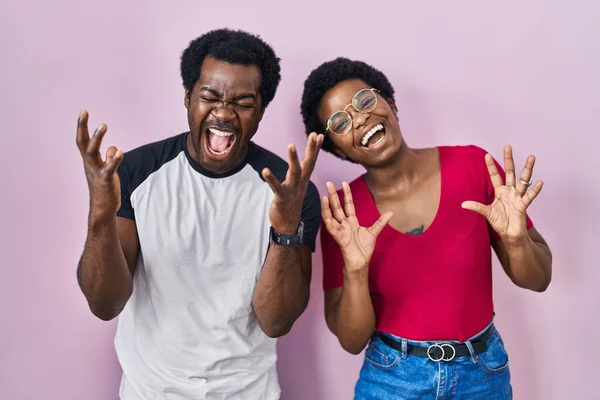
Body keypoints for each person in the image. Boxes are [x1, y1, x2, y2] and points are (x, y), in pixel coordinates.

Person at [75, 28, 323, 400]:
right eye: (209, 96)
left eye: (243, 102)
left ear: (260, 112)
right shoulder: (136, 173)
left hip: (249, 392)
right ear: (188, 97)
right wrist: (100, 216)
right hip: (151, 392)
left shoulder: (288, 190)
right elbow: (104, 304)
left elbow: (276, 322)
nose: (223, 113)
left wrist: (286, 230)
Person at [300, 57, 552, 399]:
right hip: (392, 380)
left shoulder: (473, 166)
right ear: (335, 146)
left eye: (364, 101)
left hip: (482, 375)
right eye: (340, 122)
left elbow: (538, 280)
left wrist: (516, 239)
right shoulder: (343, 215)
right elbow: (351, 340)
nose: (360, 118)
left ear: (388, 100)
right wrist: (356, 271)